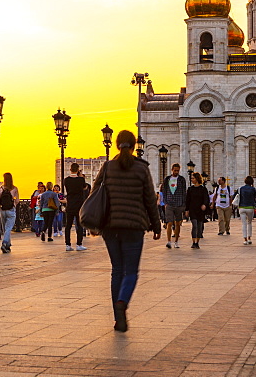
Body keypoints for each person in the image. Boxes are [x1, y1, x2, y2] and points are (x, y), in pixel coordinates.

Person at [94, 130, 161, 332]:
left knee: (117, 270)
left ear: (116, 145)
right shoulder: (141, 169)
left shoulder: (107, 167)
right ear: (133, 147)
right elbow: (150, 199)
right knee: (131, 271)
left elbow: (95, 194)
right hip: (134, 227)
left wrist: (95, 224)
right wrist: (156, 225)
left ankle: (118, 318)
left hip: (110, 226)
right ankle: (123, 302)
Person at [160, 163, 188, 248]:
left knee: (177, 223)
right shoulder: (167, 179)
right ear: (172, 170)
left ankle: (176, 241)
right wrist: (165, 202)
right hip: (169, 204)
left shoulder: (182, 179)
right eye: (175, 170)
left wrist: (184, 204)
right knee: (169, 222)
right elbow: (164, 191)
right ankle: (169, 241)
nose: (176, 172)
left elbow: (184, 192)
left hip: (179, 204)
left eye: (178, 170)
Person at [63, 163, 88, 251]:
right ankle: (79, 244)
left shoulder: (66, 180)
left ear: (70, 169)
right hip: (79, 205)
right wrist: (81, 176)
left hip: (70, 205)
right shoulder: (81, 180)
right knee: (79, 225)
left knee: (68, 225)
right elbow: (85, 188)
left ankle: (68, 245)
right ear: (78, 170)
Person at [185, 172, 209, 248]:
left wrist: (204, 205)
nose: (191, 180)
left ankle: (197, 242)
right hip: (192, 209)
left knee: (199, 226)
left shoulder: (203, 189)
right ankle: (193, 241)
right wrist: (186, 210)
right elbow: (187, 200)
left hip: (200, 210)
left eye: (193, 178)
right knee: (194, 225)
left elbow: (206, 198)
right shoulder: (190, 189)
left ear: (197, 179)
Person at [0, 173, 19, 253]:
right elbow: (17, 200)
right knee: (8, 228)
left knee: (5, 228)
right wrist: (14, 205)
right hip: (11, 209)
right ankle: (5, 243)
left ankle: (8, 245)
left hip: (2, 209)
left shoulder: (1, 188)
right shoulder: (14, 188)